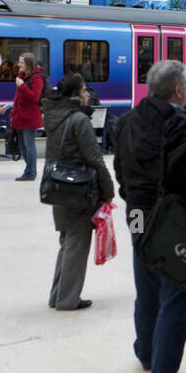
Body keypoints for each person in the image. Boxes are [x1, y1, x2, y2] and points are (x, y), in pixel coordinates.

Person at [113, 59, 186, 373]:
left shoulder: (127, 122)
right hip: (175, 220)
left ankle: (146, 353)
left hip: (137, 215)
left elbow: (120, 170)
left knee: (145, 286)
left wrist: (133, 199)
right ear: (179, 90)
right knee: (178, 293)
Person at [43, 73, 114, 310]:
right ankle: (67, 299)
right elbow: (94, 158)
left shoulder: (54, 115)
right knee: (77, 243)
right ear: (75, 94)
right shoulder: (78, 120)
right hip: (78, 189)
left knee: (67, 242)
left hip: (58, 185)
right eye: (84, 91)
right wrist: (108, 190)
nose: (87, 95)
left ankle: (58, 295)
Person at [11, 52, 45, 181]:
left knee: (29, 144)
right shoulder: (22, 77)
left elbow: (35, 97)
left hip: (30, 117)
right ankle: (29, 169)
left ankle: (31, 172)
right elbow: (18, 98)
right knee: (22, 145)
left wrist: (22, 86)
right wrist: (13, 112)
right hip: (20, 116)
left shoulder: (36, 78)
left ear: (28, 64)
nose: (19, 64)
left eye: (21, 62)